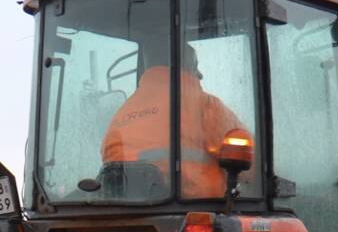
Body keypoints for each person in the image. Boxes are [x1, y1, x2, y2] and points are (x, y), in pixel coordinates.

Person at [98, 34, 250, 201]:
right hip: (198, 210)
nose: (200, 75)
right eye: (195, 66)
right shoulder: (205, 106)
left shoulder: (121, 116)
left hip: (125, 216)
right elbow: (251, 167)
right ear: (184, 66)